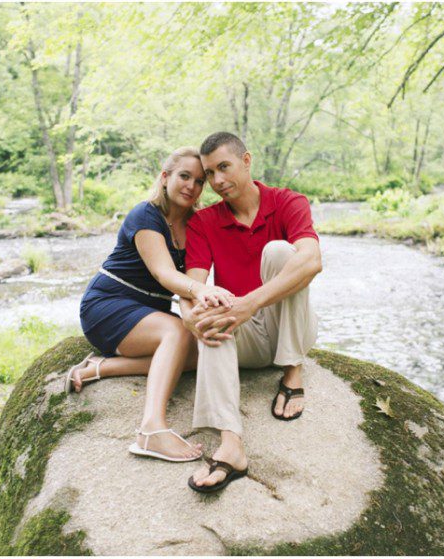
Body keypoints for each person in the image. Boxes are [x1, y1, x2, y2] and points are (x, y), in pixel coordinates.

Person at [67, 147, 236, 462]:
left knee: (206, 348)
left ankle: (101, 368)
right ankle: (151, 430)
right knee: (176, 332)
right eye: (184, 176)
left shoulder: (195, 223)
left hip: (148, 314)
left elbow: (197, 272)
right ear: (165, 177)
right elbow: (164, 273)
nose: (191, 186)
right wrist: (202, 291)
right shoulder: (145, 215)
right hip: (109, 305)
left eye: (200, 181)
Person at [179, 132, 322, 492]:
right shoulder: (204, 222)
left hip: (289, 325)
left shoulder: (288, 202)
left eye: (224, 167)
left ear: (246, 160)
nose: (217, 181)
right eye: (209, 173)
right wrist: (192, 316)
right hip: (248, 336)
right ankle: (231, 444)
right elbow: (192, 284)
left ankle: (293, 370)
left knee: (280, 253)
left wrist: (249, 303)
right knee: (211, 315)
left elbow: (312, 261)